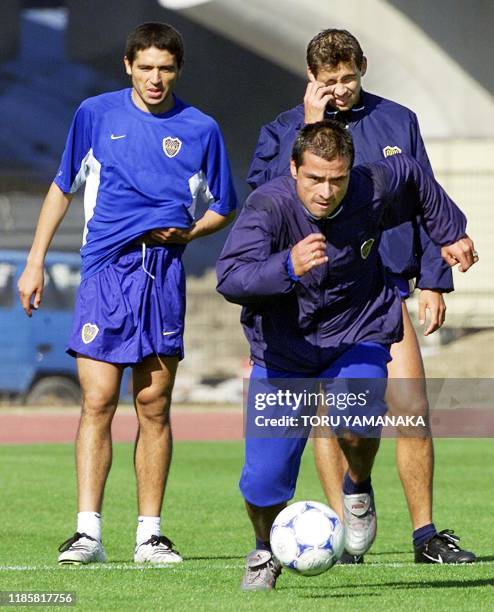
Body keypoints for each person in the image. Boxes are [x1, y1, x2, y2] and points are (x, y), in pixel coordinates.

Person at [247, 28, 476, 565]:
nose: (341, 90)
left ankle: (425, 536)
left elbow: (425, 197)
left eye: (349, 78)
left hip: (386, 289)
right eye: (329, 82)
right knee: (335, 414)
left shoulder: (398, 120)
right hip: (317, 302)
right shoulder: (283, 129)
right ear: (311, 80)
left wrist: (435, 281)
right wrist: (311, 123)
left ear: (363, 67)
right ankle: (344, 538)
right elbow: (263, 201)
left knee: (412, 409)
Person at [17, 22, 237, 565]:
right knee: (96, 400)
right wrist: (35, 261)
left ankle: (150, 535)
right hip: (103, 274)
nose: (155, 78)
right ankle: (87, 532)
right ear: (127, 66)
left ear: (177, 70)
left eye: (165, 68)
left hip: (162, 277)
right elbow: (61, 187)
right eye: (146, 68)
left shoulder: (201, 128)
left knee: (153, 404)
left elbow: (224, 204)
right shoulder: (95, 114)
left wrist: (188, 233)